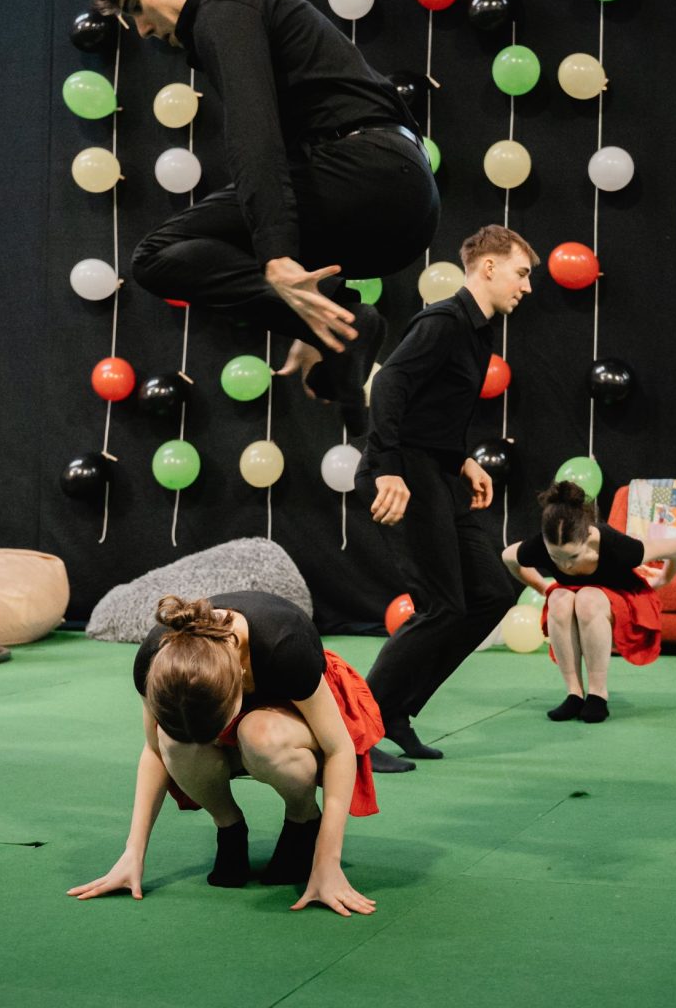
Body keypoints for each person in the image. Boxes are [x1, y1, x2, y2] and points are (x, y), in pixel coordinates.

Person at [90, 0, 438, 432]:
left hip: (369, 172)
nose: (141, 29)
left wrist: (278, 256)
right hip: (404, 201)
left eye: (135, 6)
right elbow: (300, 157)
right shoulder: (245, 8)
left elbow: (255, 136)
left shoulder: (224, 7)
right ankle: (339, 325)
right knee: (214, 241)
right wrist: (309, 313)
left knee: (157, 255)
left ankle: (346, 322)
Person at [68, 591, 383, 917]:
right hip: (223, 701)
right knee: (173, 742)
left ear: (241, 683)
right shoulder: (156, 660)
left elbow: (338, 749)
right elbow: (154, 750)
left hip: (294, 715)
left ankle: (303, 820)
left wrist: (328, 862)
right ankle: (229, 826)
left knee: (259, 733)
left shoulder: (284, 646)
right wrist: (132, 853)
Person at [359, 225, 537, 773]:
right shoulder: (443, 321)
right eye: (522, 273)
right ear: (488, 267)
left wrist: (463, 460)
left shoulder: (480, 331)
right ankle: (355, 731)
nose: (527, 287)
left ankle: (396, 711)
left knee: (490, 594)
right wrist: (389, 470)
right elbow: (389, 386)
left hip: (438, 470)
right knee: (440, 605)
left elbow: (432, 406)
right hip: (405, 471)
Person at [502, 482, 676, 723]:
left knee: (587, 598)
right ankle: (574, 694)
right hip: (574, 595)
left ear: (588, 537)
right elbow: (508, 558)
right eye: (556, 557)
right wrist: (542, 587)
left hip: (620, 596)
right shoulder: (539, 546)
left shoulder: (619, 547)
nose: (566, 564)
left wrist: (662, 580)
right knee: (558, 598)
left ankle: (598, 694)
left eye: (573, 556)